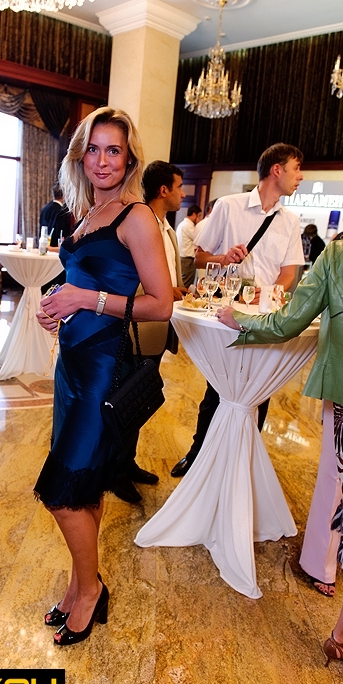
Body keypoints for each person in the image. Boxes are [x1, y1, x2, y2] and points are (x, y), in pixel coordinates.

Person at [216, 183, 343, 666]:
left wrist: (240, 321)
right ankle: (342, 630)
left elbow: (289, 322)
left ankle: (342, 631)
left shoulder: (340, 257)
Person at [34, 107, 173, 647]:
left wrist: (85, 299)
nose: (102, 160)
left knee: (61, 492)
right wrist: (58, 304)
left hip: (103, 368)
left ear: (130, 158)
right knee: (84, 484)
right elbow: (80, 279)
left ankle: (90, 590)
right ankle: (79, 586)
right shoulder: (87, 213)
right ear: (80, 156)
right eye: (93, 149)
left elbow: (161, 304)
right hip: (71, 364)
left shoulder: (135, 217)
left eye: (113, 150)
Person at [171, 142, 306, 478]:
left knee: (260, 389)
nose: (300, 176)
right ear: (277, 169)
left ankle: (242, 465)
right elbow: (199, 257)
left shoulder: (290, 221)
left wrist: (270, 292)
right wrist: (223, 257)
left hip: (263, 316)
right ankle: (198, 455)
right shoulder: (229, 206)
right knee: (218, 386)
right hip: (226, 313)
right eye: (296, 168)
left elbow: (289, 273)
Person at [111, 160, 188, 504]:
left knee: (140, 399)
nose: (183, 194)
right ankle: (116, 471)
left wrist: (176, 290)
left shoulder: (167, 229)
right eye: (179, 187)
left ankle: (127, 463)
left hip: (157, 327)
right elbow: (135, 280)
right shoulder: (140, 224)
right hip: (137, 329)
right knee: (127, 399)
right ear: (163, 190)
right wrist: (166, 292)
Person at [176, 203, 202, 288]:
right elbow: (198, 238)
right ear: (194, 214)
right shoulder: (188, 225)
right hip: (187, 259)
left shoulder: (183, 224)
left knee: (185, 281)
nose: (200, 218)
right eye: (199, 215)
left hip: (183, 257)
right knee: (186, 283)